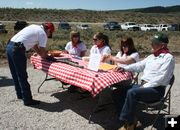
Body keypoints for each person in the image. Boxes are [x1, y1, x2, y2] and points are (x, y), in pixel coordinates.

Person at [115, 33, 175, 130]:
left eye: (154, 43)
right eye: (152, 42)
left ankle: (129, 124)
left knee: (132, 92)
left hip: (156, 89)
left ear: (162, 45)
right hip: (144, 86)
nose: (151, 44)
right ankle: (131, 119)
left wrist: (146, 86)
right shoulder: (151, 56)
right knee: (117, 92)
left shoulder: (168, 58)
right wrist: (125, 68)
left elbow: (161, 77)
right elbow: (139, 65)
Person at [6, 22, 55, 106]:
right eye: (50, 33)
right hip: (18, 49)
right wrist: (46, 56)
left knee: (15, 73)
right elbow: (42, 51)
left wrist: (41, 54)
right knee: (22, 75)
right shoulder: (42, 33)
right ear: (49, 30)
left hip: (10, 46)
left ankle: (20, 95)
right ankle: (28, 100)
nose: (49, 35)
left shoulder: (33, 26)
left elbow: (34, 46)